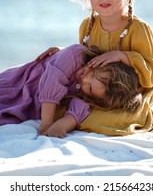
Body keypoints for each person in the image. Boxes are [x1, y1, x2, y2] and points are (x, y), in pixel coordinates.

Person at [36, 0, 153, 131]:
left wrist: (122, 56)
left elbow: (152, 75)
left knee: (119, 118)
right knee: (64, 107)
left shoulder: (138, 29)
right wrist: (63, 52)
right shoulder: (88, 26)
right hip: (94, 94)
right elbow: (84, 61)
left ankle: (150, 119)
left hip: (124, 97)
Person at [0, 44, 142, 138]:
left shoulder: (85, 95)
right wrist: (47, 123)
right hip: (16, 84)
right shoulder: (76, 54)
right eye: (93, 72)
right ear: (101, 61)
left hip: (24, 106)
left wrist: (60, 127)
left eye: (90, 88)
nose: (85, 79)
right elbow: (52, 81)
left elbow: (79, 109)